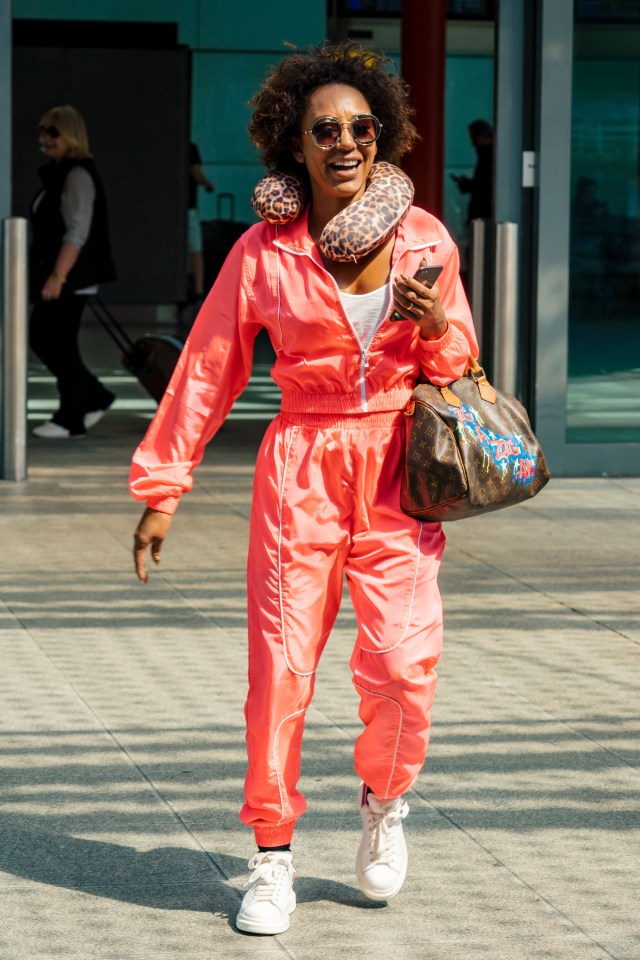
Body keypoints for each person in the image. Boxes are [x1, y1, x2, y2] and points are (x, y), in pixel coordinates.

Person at [129, 42, 478, 936]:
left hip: (400, 466)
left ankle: (383, 800)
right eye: (325, 129)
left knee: (404, 666)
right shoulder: (264, 248)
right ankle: (272, 855)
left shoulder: (425, 236)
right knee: (281, 670)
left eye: (362, 127)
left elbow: (462, 365)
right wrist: (164, 484)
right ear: (295, 141)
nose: (346, 142)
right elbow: (208, 367)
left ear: (383, 134)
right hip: (301, 468)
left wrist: (438, 324)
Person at [30, 105, 117, 439]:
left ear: (70, 134)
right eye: (42, 130)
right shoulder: (59, 171)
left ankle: (73, 415)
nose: (46, 138)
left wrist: (58, 276)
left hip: (69, 278)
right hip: (61, 276)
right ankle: (90, 397)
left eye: (54, 132)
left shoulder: (77, 174)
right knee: (51, 340)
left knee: (51, 340)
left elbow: (76, 231)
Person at [187, 141, 215, 302]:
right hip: (189, 208)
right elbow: (196, 173)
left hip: (177, 208)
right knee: (196, 249)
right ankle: (198, 289)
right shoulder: (190, 148)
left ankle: (197, 289)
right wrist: (208, 185)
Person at [451, 118, 493, 222]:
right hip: (482, 211)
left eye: (474, 138)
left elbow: (484, 185)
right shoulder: (486, 154)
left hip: (483, 212)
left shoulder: (488, 155)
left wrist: (467, 184)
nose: (473, 143)